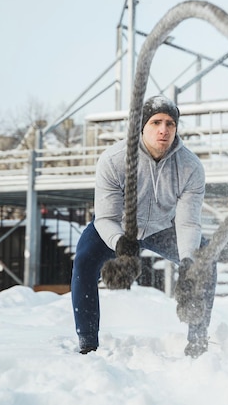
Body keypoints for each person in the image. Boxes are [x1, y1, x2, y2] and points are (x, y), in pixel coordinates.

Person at [71, 95, 215, 358]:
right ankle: (87, 341)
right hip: (118, 228)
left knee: (205, 260)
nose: (164, 130)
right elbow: (105, 217)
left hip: (162, 227)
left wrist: (188, 261)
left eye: (170, 123)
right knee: (84, 260)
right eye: (156, 122)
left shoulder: (190, 167)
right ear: (142, 126)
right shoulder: (114, 160)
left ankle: (198, 339)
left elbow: (188, 222)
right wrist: (119, 242)